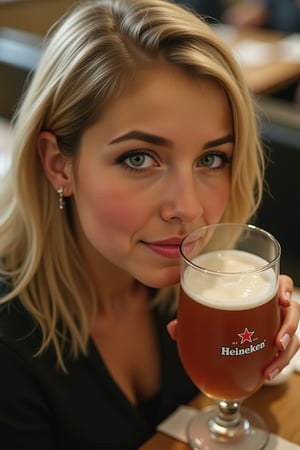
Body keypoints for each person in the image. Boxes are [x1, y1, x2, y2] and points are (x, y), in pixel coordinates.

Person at [0, 0, 299, 449]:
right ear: (60, 164)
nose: (188, 207)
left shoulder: (191, 284)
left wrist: (256, 347)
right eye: (139, 159)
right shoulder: (10, 351)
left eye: (211, 158)